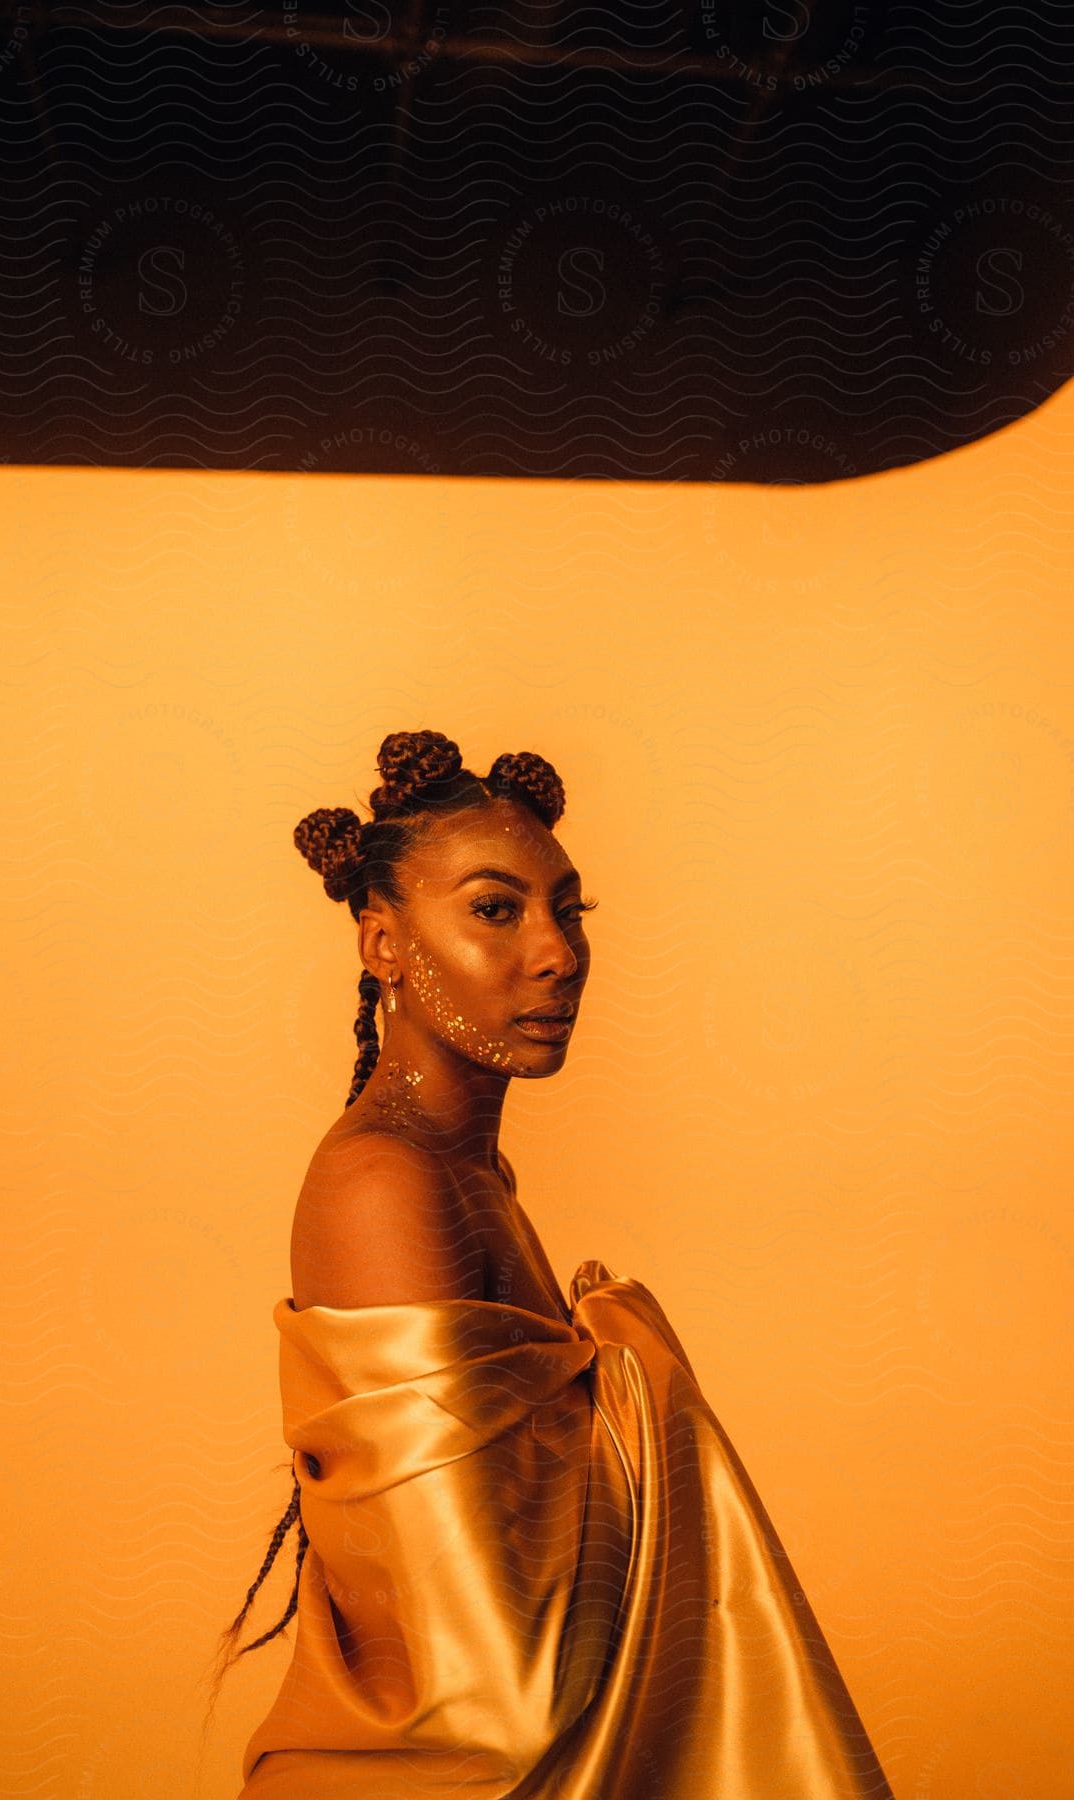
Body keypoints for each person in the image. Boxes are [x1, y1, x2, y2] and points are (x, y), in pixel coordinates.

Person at [211, 728, 896, 1797]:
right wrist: (637, 1386)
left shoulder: (471, 1174)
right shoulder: (384, 1187)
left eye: (567, 911)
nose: (557, 951)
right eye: (496, 909)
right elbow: (480, 1685)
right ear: (384, 944)